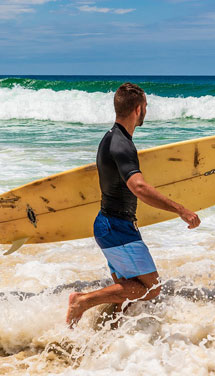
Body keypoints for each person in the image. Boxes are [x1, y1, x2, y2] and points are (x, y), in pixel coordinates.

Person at [66, 82, 201, 327]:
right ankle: (82, 301)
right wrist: (181, 209)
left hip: (110, 225)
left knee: (126, 293)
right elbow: (138, 187)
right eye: (146, 106)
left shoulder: (110, 139)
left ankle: (105, 338)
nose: (146, 111)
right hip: (117, 228)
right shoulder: (121, 144)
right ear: (138, 110)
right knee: (151, 289)